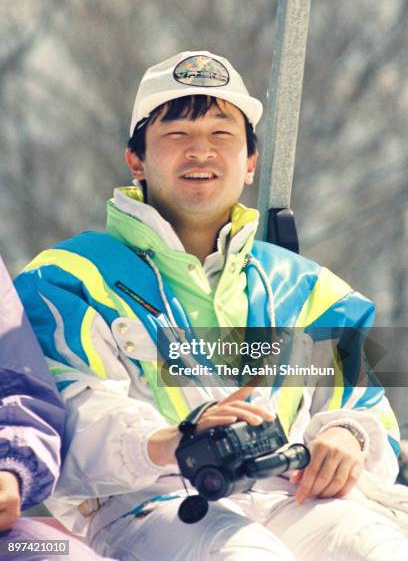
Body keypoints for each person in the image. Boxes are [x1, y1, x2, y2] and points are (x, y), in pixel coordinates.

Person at [14, 51, 408, 560]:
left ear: (250, 163)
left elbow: (364, 409)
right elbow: (68, 417)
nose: (201, 152)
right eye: (176, 135)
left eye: (221, 135)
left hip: (296, 498)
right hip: (151, 510)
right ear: (136, 160)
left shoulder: (312, 290)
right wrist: (172, 440)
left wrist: (346, 437)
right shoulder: (69, 278)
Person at [0, 256, 116, 560]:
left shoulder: (258, 274)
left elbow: (16, 385)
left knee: (60, 552)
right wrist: (162, 444)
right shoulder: (66, 276)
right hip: (152, 509)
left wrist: (9, 468)